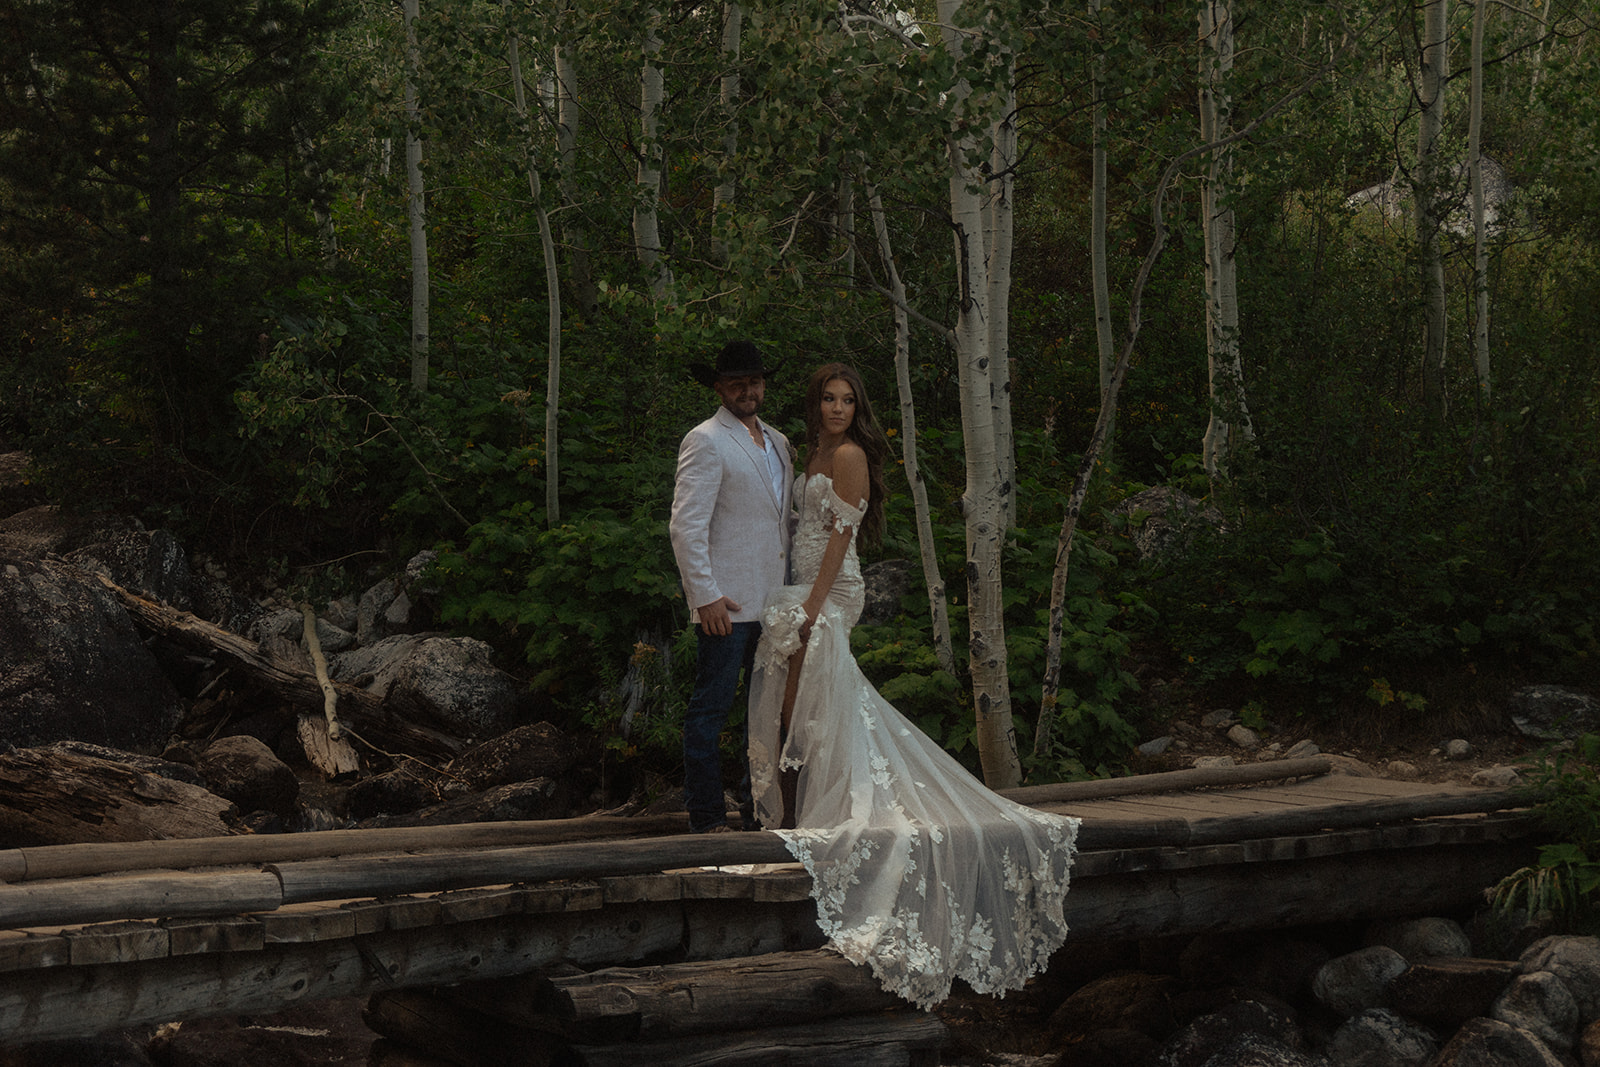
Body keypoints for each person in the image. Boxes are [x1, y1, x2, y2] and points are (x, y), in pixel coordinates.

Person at [748, 362, 1080, 1009]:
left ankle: (809, 813)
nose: (839, 407)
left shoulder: (847, 456)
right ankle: (790, 813)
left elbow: (841, 540)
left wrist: (815, 605)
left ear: (856, 407)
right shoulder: (810, 448)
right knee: (799, 709)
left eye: (848, 399)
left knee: (806, 704)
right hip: (796, 583)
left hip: (829, 590)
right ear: (815, 403)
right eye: (829, 398)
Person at [669, 340, 794, 834]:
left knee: (761, 719)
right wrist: (705, 595)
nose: (748, 390)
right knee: (710, 712)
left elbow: (779, 521)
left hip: (774, 604)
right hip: (727, 606)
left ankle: (756, 811)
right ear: (719, 388)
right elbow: (685, 525)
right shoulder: (705, 440)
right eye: (737, 382)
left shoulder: (781, 442)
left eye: (755, 381)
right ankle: (706, 818)